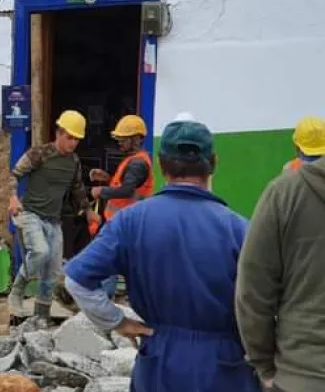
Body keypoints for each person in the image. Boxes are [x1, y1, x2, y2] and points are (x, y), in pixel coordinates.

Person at [63, 118, 260, 392]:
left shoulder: (130, 222)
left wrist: (118, 321)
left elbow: (76, 281)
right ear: (214, 163)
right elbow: (267, 305)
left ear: (160, 163)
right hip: (224, 365)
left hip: (159, 359)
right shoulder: (240, 229)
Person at [236, 119, 325, 392]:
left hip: (302, 374)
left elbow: (253, 289)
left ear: (297, 148)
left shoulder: (283, 193)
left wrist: (263, 364)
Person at [7, 110, 100, 321]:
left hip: (54, 221)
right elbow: (13, 175)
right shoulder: (39, 154)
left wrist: (87, 211)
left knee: (52, 270)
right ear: (59, 133)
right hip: (31, 214)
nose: (73, 143)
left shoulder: (73, 162)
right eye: (69, 137)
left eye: (76, 139)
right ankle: (17, 292)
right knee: (40, 251)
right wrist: (13, 198)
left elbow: (77, 188)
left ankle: (41, 316)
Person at [88, 114, 154, 297]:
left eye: (123, 139)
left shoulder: (138, 164)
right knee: (114, 260)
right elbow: (124, 186)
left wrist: (101, 191)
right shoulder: (133, 160)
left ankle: (104, 298)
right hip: (122, 221)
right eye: (119, 139)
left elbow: (126, 191)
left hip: (126, 222)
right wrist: (107, 179)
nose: (119, 143)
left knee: (109, 259)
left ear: (136, 139)